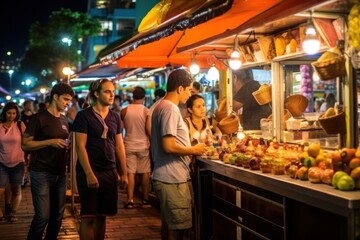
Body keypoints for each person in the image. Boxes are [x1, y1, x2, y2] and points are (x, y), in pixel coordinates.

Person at [151, 69, 206, 240]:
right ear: (180, 88)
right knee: (177, 229)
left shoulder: (162, 106)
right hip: (172, 178)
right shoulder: (170, 109)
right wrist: (194, 150)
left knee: (169, 226)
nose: (190, 94)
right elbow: (168, 146)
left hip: (169, 177)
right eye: (189, 90)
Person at [72, 78, 128, 240]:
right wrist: (89, 173)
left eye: (113, 92)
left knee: (102, 215)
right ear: (96, 93)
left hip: (109, 171)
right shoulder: (84, 116)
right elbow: (80, 146)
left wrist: (123, 173)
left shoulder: (115, 117)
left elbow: (119, 146)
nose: (112, 95)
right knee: (88, 216)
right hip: (89, 170)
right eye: (107, 91)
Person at [22, 82, 74, 240]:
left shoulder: (64, 120)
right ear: (55, 97)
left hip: (60, 174)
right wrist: (49, 142)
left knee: (57, 216)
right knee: (42, 217)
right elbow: (25, 144)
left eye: (69, 101)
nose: (67, 103)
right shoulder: (39, 118)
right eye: (65, 99)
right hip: (41, 173)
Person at [120, 86, 151, 209]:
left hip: (128, 145)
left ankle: (130, 200)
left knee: (130, 173)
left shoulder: (124, 110)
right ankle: (145, 199)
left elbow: (121, 128)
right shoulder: (146, 111)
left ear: (133, 97)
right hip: (143, 145)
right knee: (145, 172)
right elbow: (148, 129)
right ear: (143, 97)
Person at [0, 102, 26, 223]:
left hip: (18, 162)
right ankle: (1, 212)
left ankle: (12, 212)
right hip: (1, 162)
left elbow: (27, 142)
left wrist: (29, 160)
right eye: (9, 113)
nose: (11, 116)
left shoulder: (20, 125)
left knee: (16, 189)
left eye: (14, 113)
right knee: (1, 189)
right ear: (4, 113)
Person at [20, 100, 34, 187]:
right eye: (27, 105)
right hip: (24, 139)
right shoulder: (21, 116)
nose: (29, 106)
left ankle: (29, 178)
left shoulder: (34, 116)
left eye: (30, 105)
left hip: (32, 139)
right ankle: (24, 178)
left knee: (31, 159)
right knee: (24, 159)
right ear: (25, 106)